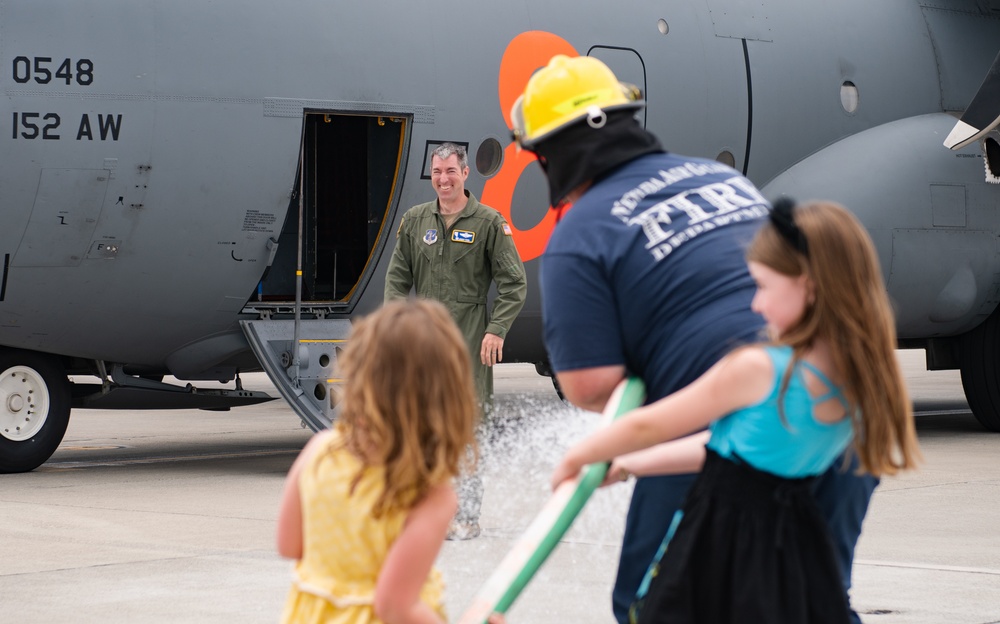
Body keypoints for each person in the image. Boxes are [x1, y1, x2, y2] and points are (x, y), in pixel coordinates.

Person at [510, 54, 879, 623]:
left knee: (649, 604)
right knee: (815, 599)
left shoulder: (580, 233)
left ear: (547, 157)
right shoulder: (722, 177)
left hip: (732, 443)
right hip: (837, 420)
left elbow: (591, 387)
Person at [551, 199, 922, 623]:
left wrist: (578, 455)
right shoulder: (867, 384)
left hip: (716, 557)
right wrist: (629, 465)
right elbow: (736, 451)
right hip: (792, 560)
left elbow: (648, 423)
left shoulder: (759, 369)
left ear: (809, 284)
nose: (755, 305)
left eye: (763, 286)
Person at [276, 299, 494, 624]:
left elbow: (289, 544)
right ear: (447, 397)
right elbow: (395, 606)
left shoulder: (319, 451)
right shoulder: (429, 493)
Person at [384, 142, 527, 540]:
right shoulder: (415, 221)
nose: (443, 179)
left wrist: (496, 329)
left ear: (465, 174)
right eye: (437, 172)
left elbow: (514, 282)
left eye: (451, 171)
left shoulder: (488, 223)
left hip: (468, 340)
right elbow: (397, 281)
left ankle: (464, 516)